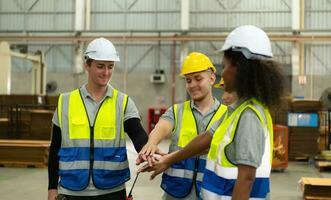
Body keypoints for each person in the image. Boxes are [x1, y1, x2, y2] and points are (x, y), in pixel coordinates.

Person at [138, 25, 285, 200]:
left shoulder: (249, 115)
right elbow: (208, 137)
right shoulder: (236, 111)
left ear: (240, 69)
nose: (224, 73)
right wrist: (167, 159)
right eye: (188, 80)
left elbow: (246, 178)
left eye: (225, 66)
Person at [48, 37, 149, 200]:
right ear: (87, 65)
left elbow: (138, 134)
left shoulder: (122, 102)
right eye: (100, 66)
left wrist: (147, 150)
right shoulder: (65, 102)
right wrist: (52, 188)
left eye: (110, 67)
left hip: (112, 191)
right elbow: (55, 149)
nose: (106, 72)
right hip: (71, 191)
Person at [137, 52, 227, 200]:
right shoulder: (177, 111)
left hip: (210, 193)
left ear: (211, 78)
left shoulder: (226, 115)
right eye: (188, 80)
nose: (192, 85)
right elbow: (161, 127)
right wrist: (151, 143)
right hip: (175, 193)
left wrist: (168, 159)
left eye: (198, 79)